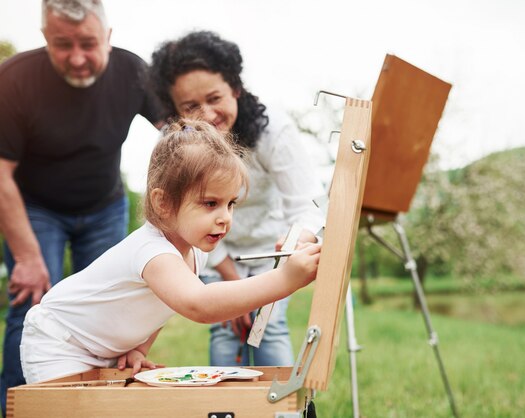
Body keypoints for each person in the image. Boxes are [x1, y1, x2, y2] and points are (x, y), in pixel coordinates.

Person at [19, 119, 321, 384]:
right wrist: (285, 280)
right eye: (210, 203)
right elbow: (199, 305)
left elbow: (162, 307)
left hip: (101, 349)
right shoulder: (153, 252)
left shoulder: (194, 251)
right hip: (59, 343)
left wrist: (139, 349)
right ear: (163, 203)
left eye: (231, 203)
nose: (225, 217)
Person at [0, 0, 163, 412]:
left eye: (88, 43)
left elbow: (180, 135)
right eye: (62, 44)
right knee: (32, 314)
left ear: (108, 36)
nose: (77, 58)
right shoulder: (14, 79)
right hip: (36, 209)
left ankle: (100, 409)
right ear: (44, 39)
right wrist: (26, 256)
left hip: (103, 206)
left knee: (114, 321)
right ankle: (21, 409)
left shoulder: (133, 72)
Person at [149, 31, 325, 367]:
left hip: (272, 251)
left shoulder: (273, 130)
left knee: (268, 328)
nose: (207, 114)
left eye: (215, 98)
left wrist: (295, 241)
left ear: (235, 88)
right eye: (190, 106)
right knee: (225, 330)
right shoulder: (176, 145)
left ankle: (279, 407)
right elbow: (179, 223)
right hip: (212, 252)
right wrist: (230, 280)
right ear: (175, 109)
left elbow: (309, 204)